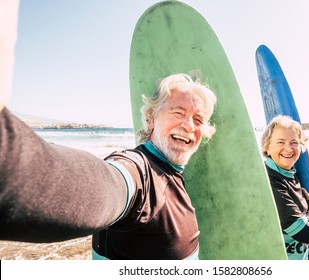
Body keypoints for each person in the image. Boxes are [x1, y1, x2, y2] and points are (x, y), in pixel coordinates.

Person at [0, 1, 217, 260]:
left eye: (198, 119)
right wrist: (11, 163)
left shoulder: (170, 173)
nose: (188, 125)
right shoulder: (139, 173)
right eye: (178, 113)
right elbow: (107, 185)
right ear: (150, 119)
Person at [261, 115, 309, 260]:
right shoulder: (271, 184)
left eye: (294, 142)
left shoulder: (289, 173)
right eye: (280, 142)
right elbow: (308, 234)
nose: (288, 149)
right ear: (267, 148)